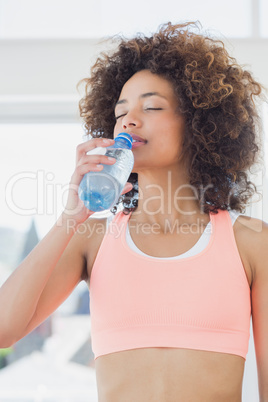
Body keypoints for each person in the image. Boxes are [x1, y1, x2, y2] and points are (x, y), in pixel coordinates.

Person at [0, 21, 267, 402]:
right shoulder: (90, 240)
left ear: (200, 122)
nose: (129, 119)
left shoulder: (252, 242)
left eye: (153, 106)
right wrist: (70, 218)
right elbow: (3, 330)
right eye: (120, 110)